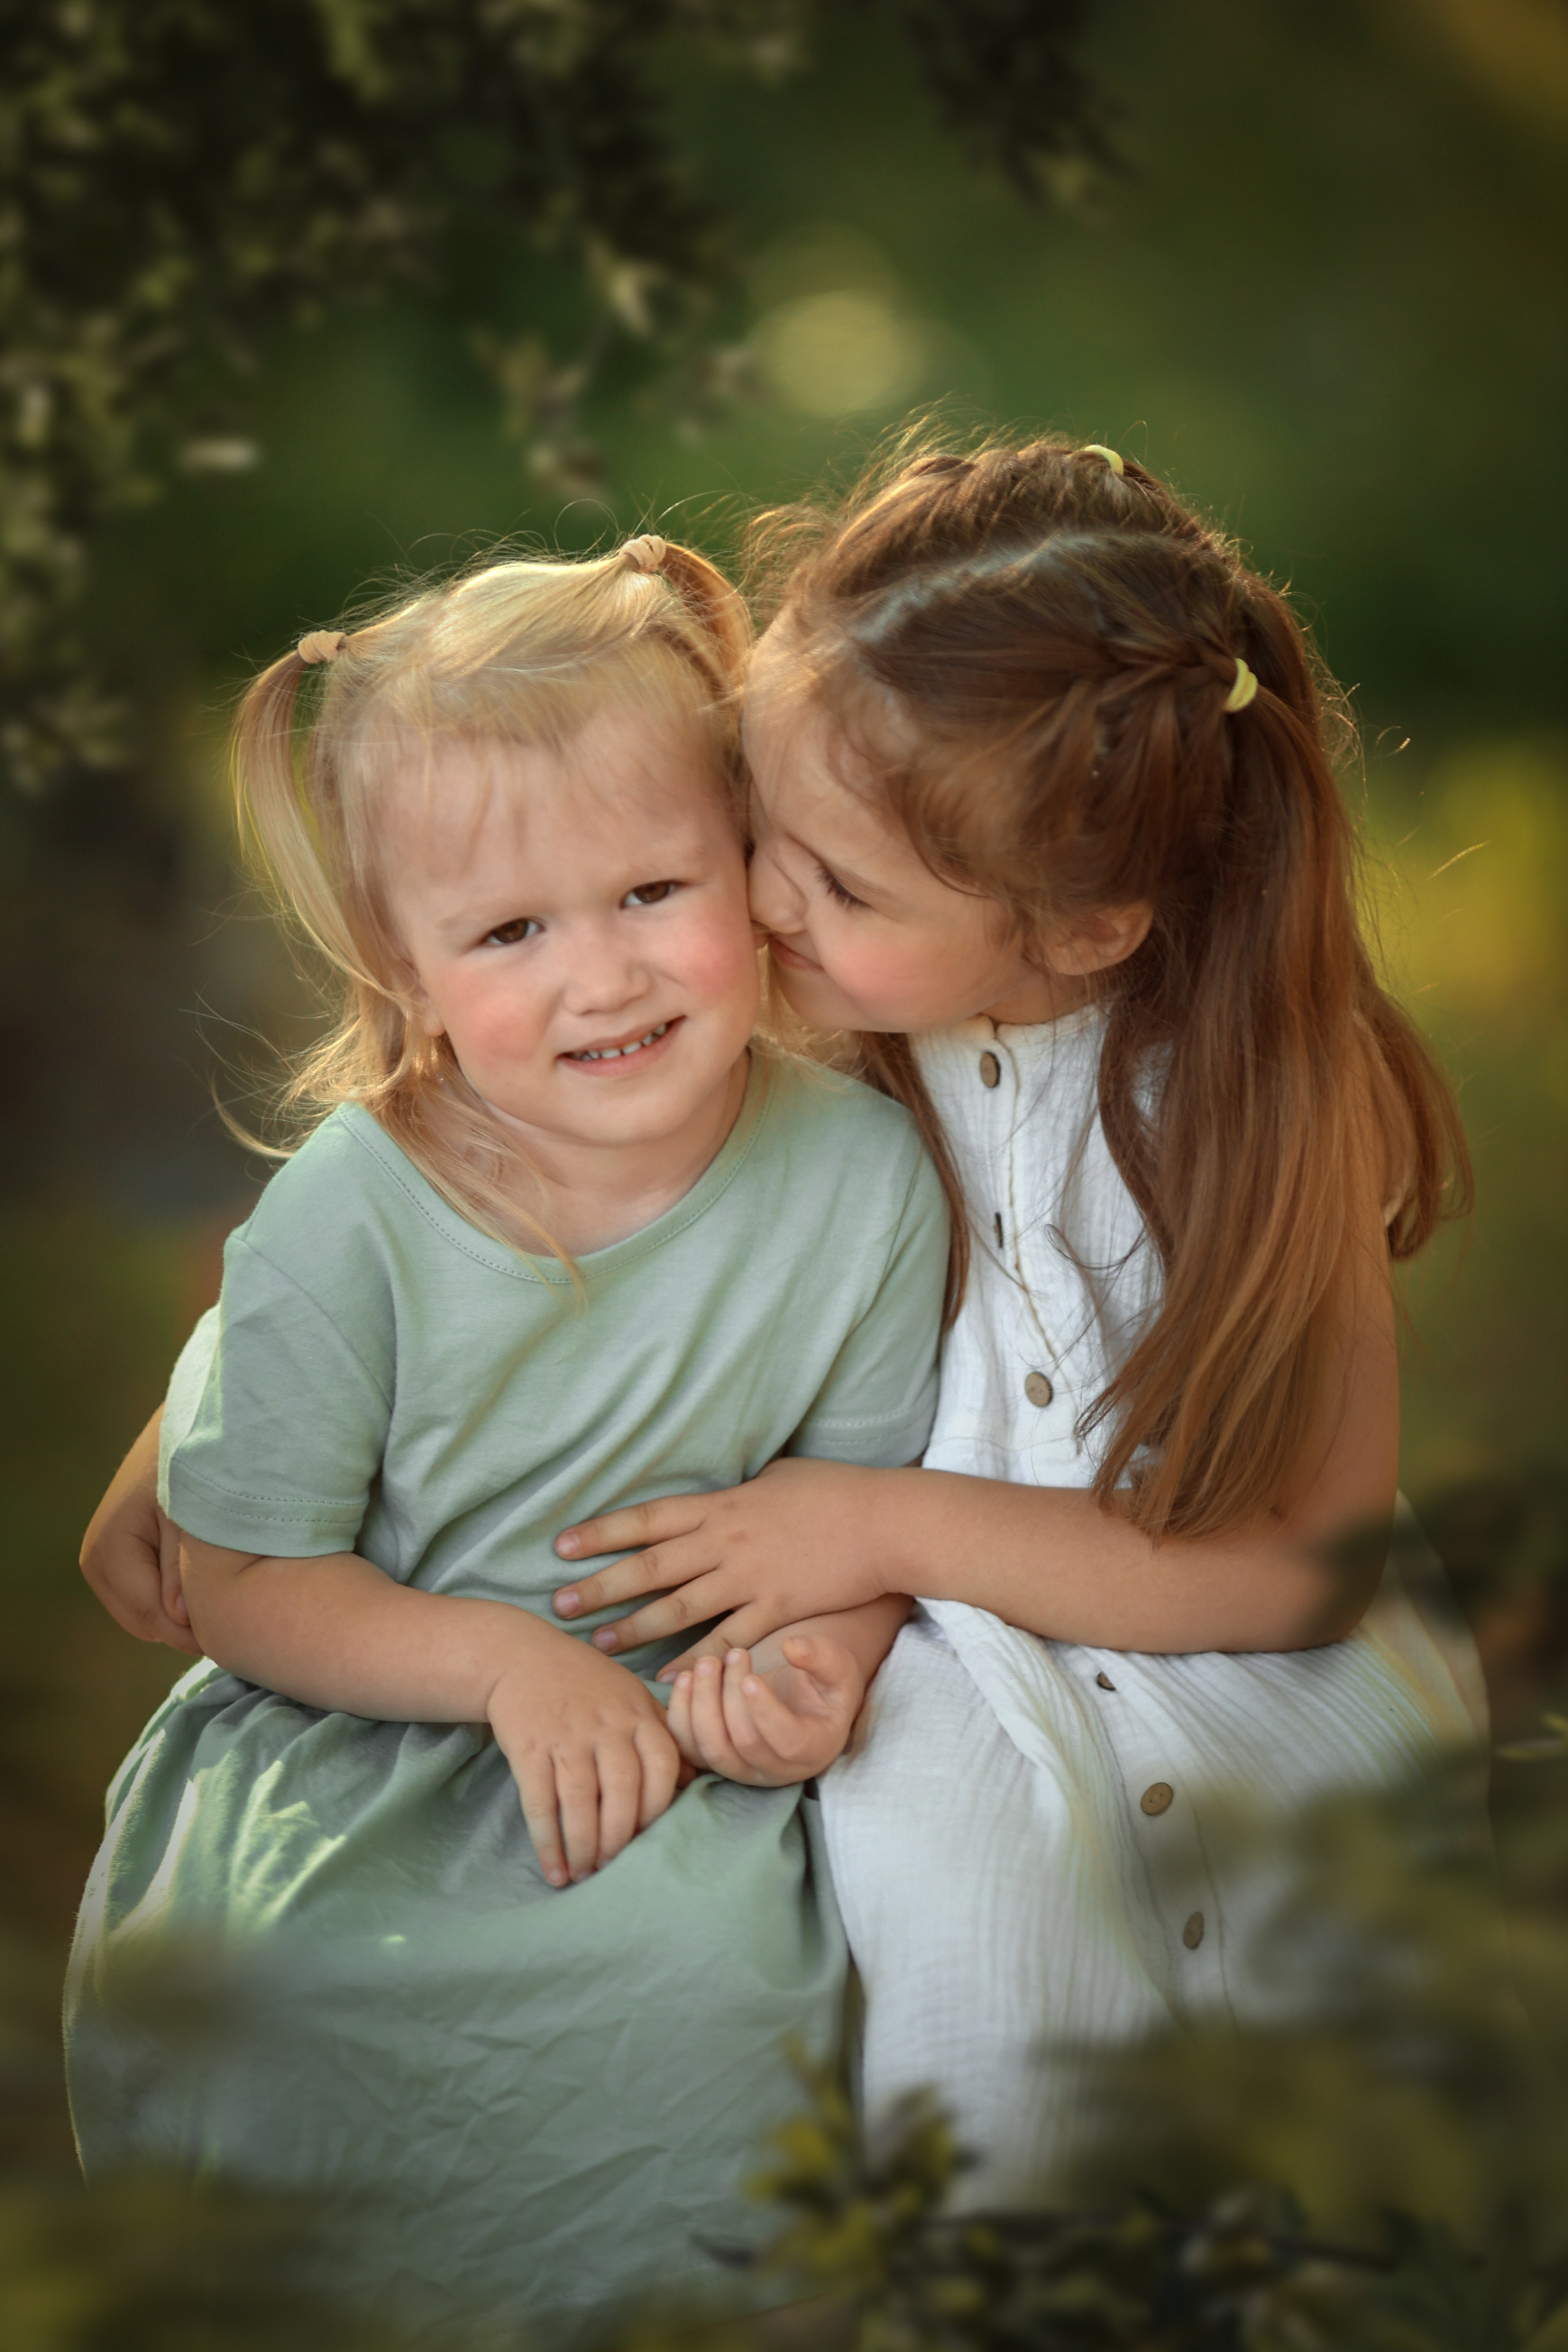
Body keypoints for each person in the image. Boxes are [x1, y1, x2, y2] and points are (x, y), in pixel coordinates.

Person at [541, 438, 1490, 2202]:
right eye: (765, 838)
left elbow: (1296, 1573)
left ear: (1087, 924)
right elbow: (476, 1146)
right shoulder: (802, 1026)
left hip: (1253, 1703)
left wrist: (873, 1523)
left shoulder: (1267, 1090)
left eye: (847, 889)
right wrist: (214, 1415)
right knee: (987, 2077)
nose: (761, 904)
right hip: (947, 1698)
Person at [65, 537, 949, 2336]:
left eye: (649, 891)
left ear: (751, 871)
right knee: (281, 1993)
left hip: (666, 1743)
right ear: (404, 962)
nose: (600, 977)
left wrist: (817, 1658)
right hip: (367, 1722)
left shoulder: (859, 1177)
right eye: (510, 933)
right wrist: (499, 1671)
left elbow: (862, 1507)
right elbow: (236, 1580)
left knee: (702, 1983)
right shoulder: (354, 1208)